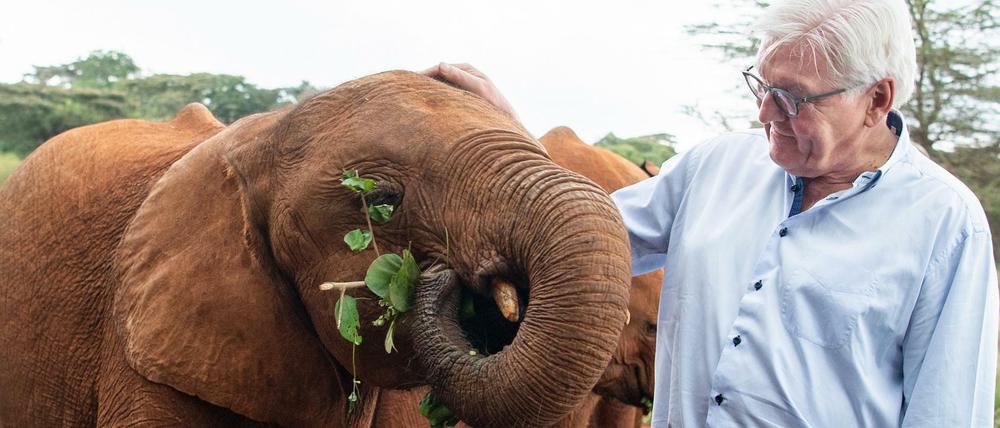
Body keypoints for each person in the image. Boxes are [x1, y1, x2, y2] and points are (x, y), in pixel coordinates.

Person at [425, 0, 999, 426]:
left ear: (877, 99)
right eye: (761, 84)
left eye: (792, 97)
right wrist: (511, 135)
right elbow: (585, 237)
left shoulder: (945, 225)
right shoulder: (714, 168)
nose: (765, 112)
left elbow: (947, 411)